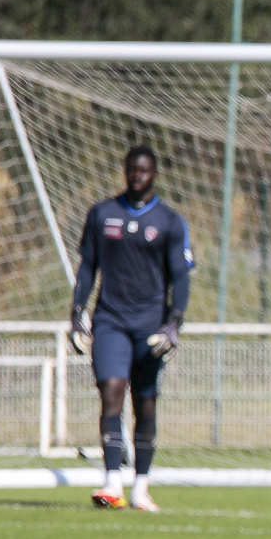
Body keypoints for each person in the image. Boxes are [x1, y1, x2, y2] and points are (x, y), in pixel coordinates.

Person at [68, 146, 194, 512]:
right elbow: (87, 268)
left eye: (144, 170)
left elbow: (181, 278)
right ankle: (111, 483)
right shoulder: (101, 214)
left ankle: (141, 487)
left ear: (154, 174)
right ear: (125, 171)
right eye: (132, 169)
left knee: (145, 403)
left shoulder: (170, 221)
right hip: (110, 321)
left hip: (149, 326)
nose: (137, 175)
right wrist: (77, 313)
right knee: (111, 391)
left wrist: (174, 324)